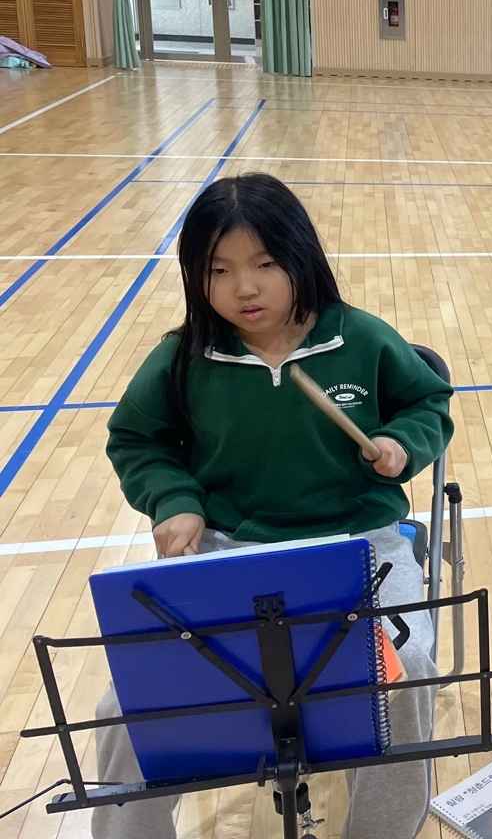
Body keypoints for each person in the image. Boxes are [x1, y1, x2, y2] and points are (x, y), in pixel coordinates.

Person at [96, 173, 453, 839]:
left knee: (405, 677)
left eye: (264, 264)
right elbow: (138, 441)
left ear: (300, 258)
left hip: (361, 547)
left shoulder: (361, 339)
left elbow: (426, 402)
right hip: (227, 548)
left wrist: (403, 443)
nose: (245, 287)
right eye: (219, 270)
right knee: (128, 703)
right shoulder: (184, 357)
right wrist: (173, 500)